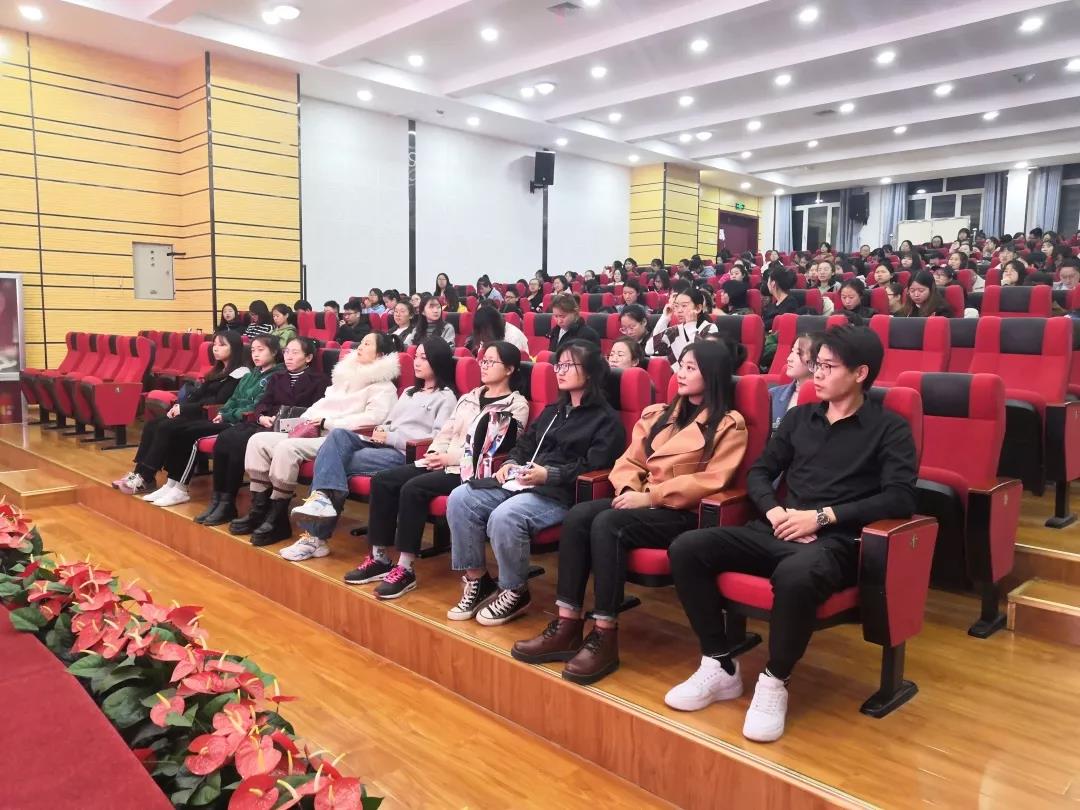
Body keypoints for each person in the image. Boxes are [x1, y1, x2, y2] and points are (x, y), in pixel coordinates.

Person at [664, 326, 916, 741]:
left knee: (796, 575)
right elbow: (761, 472)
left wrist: (822, 518)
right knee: (688, 547)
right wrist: (775, 510)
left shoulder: (890, 428)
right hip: (777, 526)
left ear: (860, 373)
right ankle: (719, 663)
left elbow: (900, 497)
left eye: (829, 366)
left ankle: (774, 680)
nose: (817, 374)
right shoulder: (800, 417)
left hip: (834, 541)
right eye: (817, 364)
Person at [512, 341, 747, 683]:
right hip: (638, 500)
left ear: (711, 375)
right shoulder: (659, 415)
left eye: (691, 368)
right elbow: (628, 461)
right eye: (680, 366)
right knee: (579, 516)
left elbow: (711, 480)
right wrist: (627, 490)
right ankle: (567, 624)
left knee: (609, 522)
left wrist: (650, 498)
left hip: (684, 511)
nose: (680, 374)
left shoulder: (728, 424)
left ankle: (604, 634)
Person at [445, 340, 625, 626]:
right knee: (460, 498)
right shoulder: (555, 410)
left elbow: (595, 466)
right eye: (558, 365)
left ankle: (515, 590)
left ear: (590, 372)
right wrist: (510, 462)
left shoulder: (607, 420)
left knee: (505, 516)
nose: (559, 371)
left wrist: (549, 475)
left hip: (559, 494)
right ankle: (478, 580)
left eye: (568, 366)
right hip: (522, 482)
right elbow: (526, 443)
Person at [346, 342, 531, 596]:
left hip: (471, 471)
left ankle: (405, 567)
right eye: (483, 361)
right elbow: (447, 431)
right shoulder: (469, 397)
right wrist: (434, 452)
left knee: (413, 488)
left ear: (509, 369)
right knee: (383, 480)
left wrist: (448, 458)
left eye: (491, 362)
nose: (484, 366)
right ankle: (379, 558)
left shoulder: (516, 405)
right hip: (442, 460)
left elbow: (494, 447)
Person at [287, 338, 460, 561]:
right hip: (379, 444)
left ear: (438, 361)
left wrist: (392, 437)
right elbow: (390, 421)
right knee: (338, 435)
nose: (417, 362)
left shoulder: (445, 397)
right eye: (416, 356)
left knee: (332, 461)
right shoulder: (409, 391)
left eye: (424, 358)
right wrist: (382, 429)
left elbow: (437, 440)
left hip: (402, 455)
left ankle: (314, 537)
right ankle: (319, 507)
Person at [231, 332, 400, 547]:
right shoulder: (344, 379)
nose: (360, 346)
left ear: (381, 354)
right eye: (361, 342)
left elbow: (373, 419)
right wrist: (303, 420)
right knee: (258, 441)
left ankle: (278, 515)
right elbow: (320, 404)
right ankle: (259, 510)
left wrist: (327, 422)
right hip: (315, 431)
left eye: (367, 344)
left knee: (287, 448)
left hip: (339, 439)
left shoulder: (384, 387)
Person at [195, 336, 328, 526]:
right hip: (267, 423)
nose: (289, 356)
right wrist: (262, 416)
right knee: (225, 438)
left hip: (295, 430)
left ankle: (238, 504)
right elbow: (263, 403)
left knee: (240, 443)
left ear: (308, 358)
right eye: (287, 352)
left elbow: (316, 410)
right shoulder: (278, 377)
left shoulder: (319, 380)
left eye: (295, 353)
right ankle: (220, 500)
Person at [114, 331, 252, 499]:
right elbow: (199, 394)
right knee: (152, 424)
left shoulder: (240, 374)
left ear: (235, 348)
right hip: (196, 411)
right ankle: (139, 473)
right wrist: (180, 405)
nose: (215, 348)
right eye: (214, 344)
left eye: (222, 345)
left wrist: (185, 409)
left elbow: (218, 401)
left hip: (210, 415)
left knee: (166, 427)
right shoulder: (217, 371)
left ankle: (147, 477)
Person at [649, 288, 717, 371]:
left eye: (684, 306)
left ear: (698, 308)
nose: (679, 310)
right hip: (677, 375)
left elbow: (698, 358)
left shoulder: (710, 328)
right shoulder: (675, 330)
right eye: (676, 306)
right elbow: (651, 349)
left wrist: (691, 325)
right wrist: (665, 318)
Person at [769, 335, 814, 431]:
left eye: (798, 353)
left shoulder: (829, 401)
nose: (789, 358)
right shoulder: (772, 395)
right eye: (792, 351)